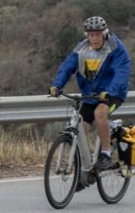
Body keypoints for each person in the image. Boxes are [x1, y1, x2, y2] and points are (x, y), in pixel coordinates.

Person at [50, 15, 130, 173]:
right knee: (81, 125)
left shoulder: (115, 48)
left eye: (98, 34)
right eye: (91, 35)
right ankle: (86, 167)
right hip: (91, 95)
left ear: (104, 33)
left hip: (113, 93)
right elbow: (67, 67)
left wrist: (111, 91)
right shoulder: (81, 49)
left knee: (100, 113)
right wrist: (57, 85)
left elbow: (122, 72)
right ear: (87, 35)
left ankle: (106, 154)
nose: (95, 38)